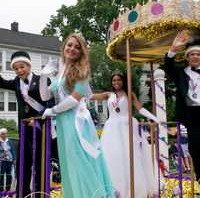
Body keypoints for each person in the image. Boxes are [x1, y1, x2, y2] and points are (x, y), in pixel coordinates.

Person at [41, 33, 115, 198]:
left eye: (77, 47)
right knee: (69, 164)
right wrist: (44, 75)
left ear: (81, 52)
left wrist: (52, 111)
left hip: (76, 122)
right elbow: (45, 96)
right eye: (69, 45)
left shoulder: (82, 70)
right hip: (63, 122)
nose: (72, 49)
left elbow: (74, 100)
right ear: (64, 46)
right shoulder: (60, 71)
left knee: (80, 162)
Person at [90, 72, 159, 198]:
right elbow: (91, 96)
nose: (116, 82)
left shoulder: (129, 94)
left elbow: (139, 108)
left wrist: (154, 118)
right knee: (113, 155)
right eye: (114, 80)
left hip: (128, 126)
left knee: (131, 155)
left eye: (119, 80)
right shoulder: (108, 94)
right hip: (112, 128)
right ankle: (114, 188)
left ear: (123, 81)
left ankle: (134, 188)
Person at [0, 51, 53, 197]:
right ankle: (22, 193)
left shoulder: (42, 80)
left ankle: (40, 193)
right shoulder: (16, 82)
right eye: (16, 68)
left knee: (40, 164)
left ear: (29, 65)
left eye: (22, 67)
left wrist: (38, 119)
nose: (19, 71)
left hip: (40, 128)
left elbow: (50, 103)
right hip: (24, 130)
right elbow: (2, 83)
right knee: (23, 164)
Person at [164, 30, 200, 182]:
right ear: (187, 57)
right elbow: (168, 66)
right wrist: (173, 49)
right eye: (192, 54)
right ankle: (199, 175)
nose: (195, 56)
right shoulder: (180, 73)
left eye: (198, 54)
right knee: (195, 147)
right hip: (190, 114)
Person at [0, 128, 16, 194]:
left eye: (6, 133)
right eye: (3, 134)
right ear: (0, 134)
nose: (5, 135)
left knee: (9, 175)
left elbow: (12, 150)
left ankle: (8, 189)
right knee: (1, 175)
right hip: (2, 161)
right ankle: (1, 189)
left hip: (9, 160)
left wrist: (14, 159)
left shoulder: (9, 140)